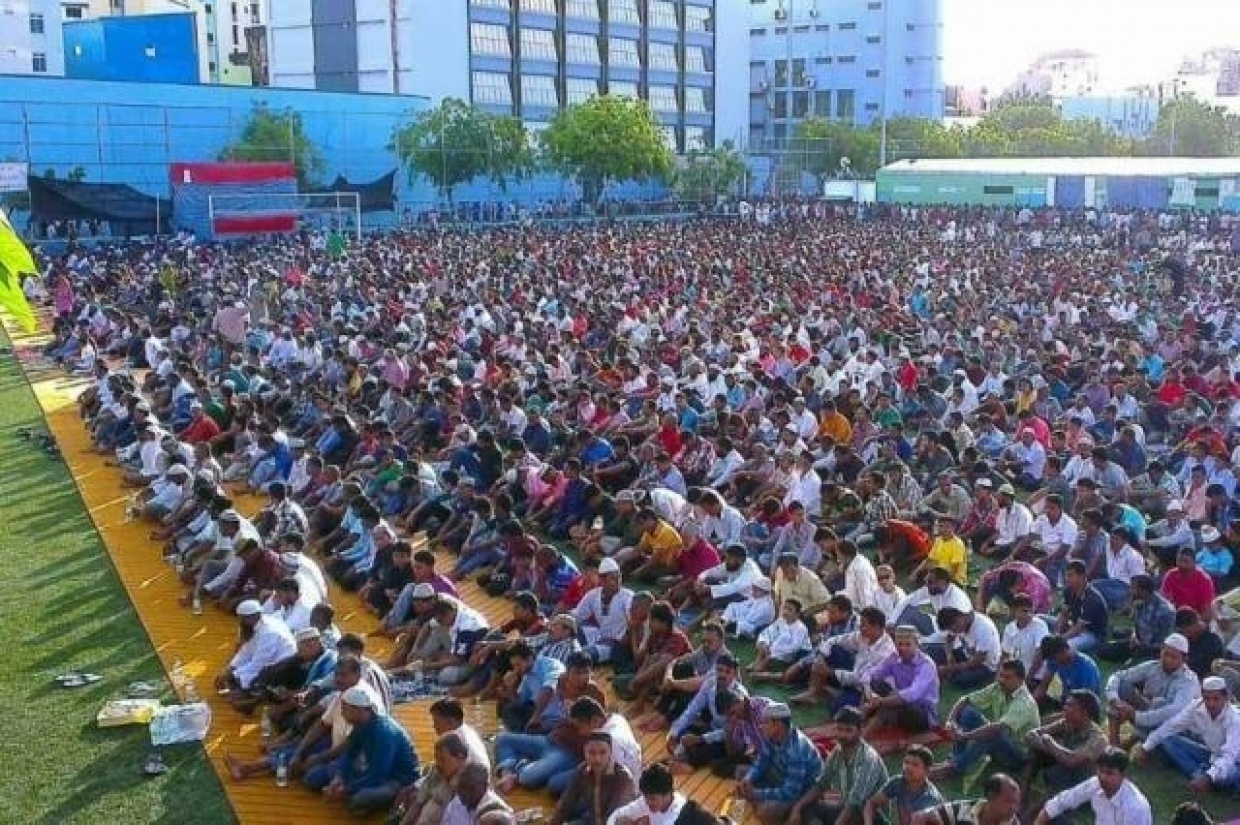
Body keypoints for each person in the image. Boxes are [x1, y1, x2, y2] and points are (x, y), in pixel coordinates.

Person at [318, 686, 420, 816]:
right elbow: (349, 754)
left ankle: (387, 800)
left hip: (398, 779)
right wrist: (339, 777)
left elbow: (379, 774)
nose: (342, 713)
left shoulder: (384, 732)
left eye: (344, 709)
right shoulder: (360, 724)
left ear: (358, 710)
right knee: (332, 770)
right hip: (374, 772)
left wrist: (347, 789)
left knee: (360, 799)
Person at [929, 660, 1040, 780]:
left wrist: (965, 736)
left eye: (1007, 677)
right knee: (967, 713)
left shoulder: (1024, 703)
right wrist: (950, 723)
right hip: (1002, 738)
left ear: (1021, 680)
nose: (1001, 680)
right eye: (1001, 675)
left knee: (991, 734)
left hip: (1018, 755)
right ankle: (953, 760)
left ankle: (954, 768)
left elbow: (996, 729)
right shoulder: (998, 687)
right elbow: (965, 700)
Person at [1136, 675, 1240, 791]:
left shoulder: (1235, 719)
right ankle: (1200, 776)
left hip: (1234, 763)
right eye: (1207, 698)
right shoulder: (1196, 706)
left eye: (1216, 699)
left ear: (1226, 698)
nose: (1211, 703)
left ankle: (1207, 778)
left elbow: (1229, 756)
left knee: (1229, 775)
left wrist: (1208, 777)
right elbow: (1171, 725)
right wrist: (1145, 747)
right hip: (1212, 755)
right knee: (1169, 740)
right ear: (1202, 696)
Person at [789, 707, 888, 825]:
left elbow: (855, 802)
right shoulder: (838, 751)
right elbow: (821, 784)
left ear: (860, 731)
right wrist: (797, 808)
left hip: (871, 816)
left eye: (848, 730)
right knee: (807, 807)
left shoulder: (868, 759)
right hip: (848, 809)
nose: (842, 735)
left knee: (855, 811)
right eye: (839, 729)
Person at [1104, 633, 1200, 745]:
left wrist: (1136, 716)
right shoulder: (1152, 666)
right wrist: (1115, 700)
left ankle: (1140, 737)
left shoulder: (1189, 682)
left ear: (1184, 659)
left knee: (1160, 706)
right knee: (1121, 689)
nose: (1168, 660)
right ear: (1161, 651)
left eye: (1174, 657)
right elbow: (1117, 676)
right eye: (1165, 654)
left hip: (1176, 728)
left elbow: (1174, 711)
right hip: (1149, 712)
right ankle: (1114, 747)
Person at [736, 702, 823, 824]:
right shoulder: (772, 736)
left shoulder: (797, 750)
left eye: (765, 722)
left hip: (801, 791)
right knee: (741, 772)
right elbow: (762, 762)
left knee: (764, 812)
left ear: (778, 725)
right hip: (781, 777)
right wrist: (748, 779)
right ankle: (762, 800)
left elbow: (790, 792)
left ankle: (797, 811)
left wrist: (756, 794)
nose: (761, 726)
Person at [1022, 689, 1108, 800]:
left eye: (1070, 705)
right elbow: (1030, 735)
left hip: (1084, 781)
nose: (1064, 708)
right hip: (1066, 765)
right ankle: (1023, 795)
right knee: (1035, 752)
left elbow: (1072, 760)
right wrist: (1052, 749)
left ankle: (1042, 807)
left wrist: (1051, 743)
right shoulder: (1067, 723)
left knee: (1062, 773)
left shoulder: (1098, 738)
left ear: (1084, 712)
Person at [213, 599, 297, 712]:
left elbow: (259, 664)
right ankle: (244, 690)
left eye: (243, 619)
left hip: (283, 668)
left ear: (252, 617)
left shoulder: (268, 632)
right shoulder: (257, 625)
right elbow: (246, 651)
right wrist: (229, 669)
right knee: (233, 674)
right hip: (268, 662)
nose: (240, 623)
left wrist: (233, 675)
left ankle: (251, 696)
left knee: (245, 679)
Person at [1033, 748, 1152, 825]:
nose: (1103, 777)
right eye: (1100, 770)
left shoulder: (1135, 808)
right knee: (1052, 816)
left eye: (1109, 773)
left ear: (1123, 775)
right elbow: (1060, 802)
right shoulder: (1095, 783)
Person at [862, 625, 940, 738]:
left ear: (917, 644)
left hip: (922, 714)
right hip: (901, 703)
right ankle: (864, 715)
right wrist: (870, 694)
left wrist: (881, 702)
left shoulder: (926, 665)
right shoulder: (894, 658)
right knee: (877, 684)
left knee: (895, 703)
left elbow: (912, 695)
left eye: (908, 644)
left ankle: (864, 733)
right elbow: (870, 675)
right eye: (899, 644)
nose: (903, 648)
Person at [549, 731, 639, 825]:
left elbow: (615, 816)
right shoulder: (582, 770)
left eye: (603, 752)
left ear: (610, 753)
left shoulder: (623, 777)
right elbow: (566, 802)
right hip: (591, 819)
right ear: (584, 752)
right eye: (591, 752)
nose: (597, 759)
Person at [862, 745, 944, 825]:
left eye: (915, 764)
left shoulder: (930, 800)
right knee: (861, 804)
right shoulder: (898, 782)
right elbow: (871, 803)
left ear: (927, 771)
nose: (908, 767)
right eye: (906, 762)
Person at [910, 772, 1021, 825]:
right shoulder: (964, 809)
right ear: (991, 796)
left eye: (1017, 802)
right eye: (1009, 801)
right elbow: (919, 816)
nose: (1014, 808)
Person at [442, 761, 515, 825]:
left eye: (471, 788)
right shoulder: (456, 803)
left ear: (485, 786)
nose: (464, 793)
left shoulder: (499, 812)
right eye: (461, 787)